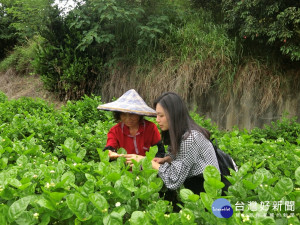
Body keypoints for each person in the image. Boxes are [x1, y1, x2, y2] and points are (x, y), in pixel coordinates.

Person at [124, 92, 220, 197]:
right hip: (194, 188)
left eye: (161, 116)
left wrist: (146, 161)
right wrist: (166, 159)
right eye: (157, 115)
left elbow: (173, 180)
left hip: (207, 191)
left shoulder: (191, 138)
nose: (157, 120)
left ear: (174, 115)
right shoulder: (179, 133)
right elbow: (181, 157)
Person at [97, 89, 165, 159]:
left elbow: (160, 151)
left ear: (139, 114)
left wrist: (150, 162)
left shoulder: (150, 127)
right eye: (123, 114)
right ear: (119, 115)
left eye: (132, 115)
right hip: (124, 168)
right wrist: (110, 153)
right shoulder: (115, 131)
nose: (128, 119)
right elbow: (109, 148)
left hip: (146, 167)